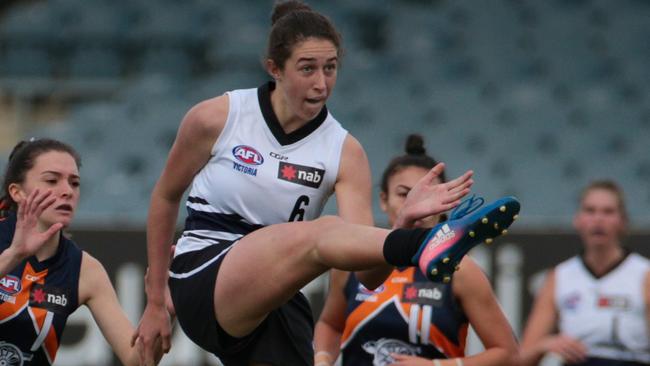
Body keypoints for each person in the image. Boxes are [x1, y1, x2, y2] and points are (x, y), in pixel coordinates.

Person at [134, 1, 520, 365]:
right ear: (275, 68)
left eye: (331, 68)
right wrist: (154, 303)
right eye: (307, 69)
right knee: (327, 231)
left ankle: (416, 242)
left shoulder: (344, 151)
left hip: (278, 297)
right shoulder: (218, 117)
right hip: (205, 274)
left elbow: (368, 277)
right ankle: (426, 244)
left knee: (330, 238)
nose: (321, 84)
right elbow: (165, 196)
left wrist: (400, 223)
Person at [313, 135, 519, 366]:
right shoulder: (355, 259)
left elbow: (508, 354)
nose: (418, 206)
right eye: (404, 194)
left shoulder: (462, 271)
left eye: (430, 195)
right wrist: (322, 359)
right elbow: (330, 324)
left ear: (446, 203)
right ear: (383, 200)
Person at [0, 138, 167, 366]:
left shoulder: (84, 269)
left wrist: (164, 307)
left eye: (74, 183)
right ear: (17, 192)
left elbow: (137, 361)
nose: (67, 191)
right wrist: (13, 256)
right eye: (51, 180)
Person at [520, 180, 650, 366]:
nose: (598, 219)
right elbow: (522, 357)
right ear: (578, 220)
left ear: (623, 221)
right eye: (590, 211)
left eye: (608, 212)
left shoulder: (644, 274)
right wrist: (546, 344)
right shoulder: (560, 276)